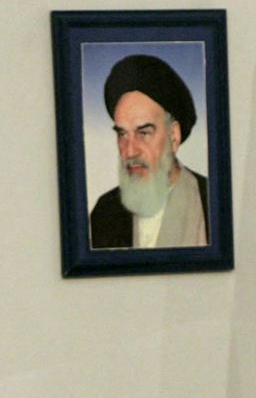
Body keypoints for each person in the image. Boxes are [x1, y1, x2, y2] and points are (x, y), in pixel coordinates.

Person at [89, 52, 210, 250]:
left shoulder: (211, 202)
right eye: (122, 134)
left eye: (143, 133)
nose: (130, 151)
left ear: (174, 135)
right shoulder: (105, 212)